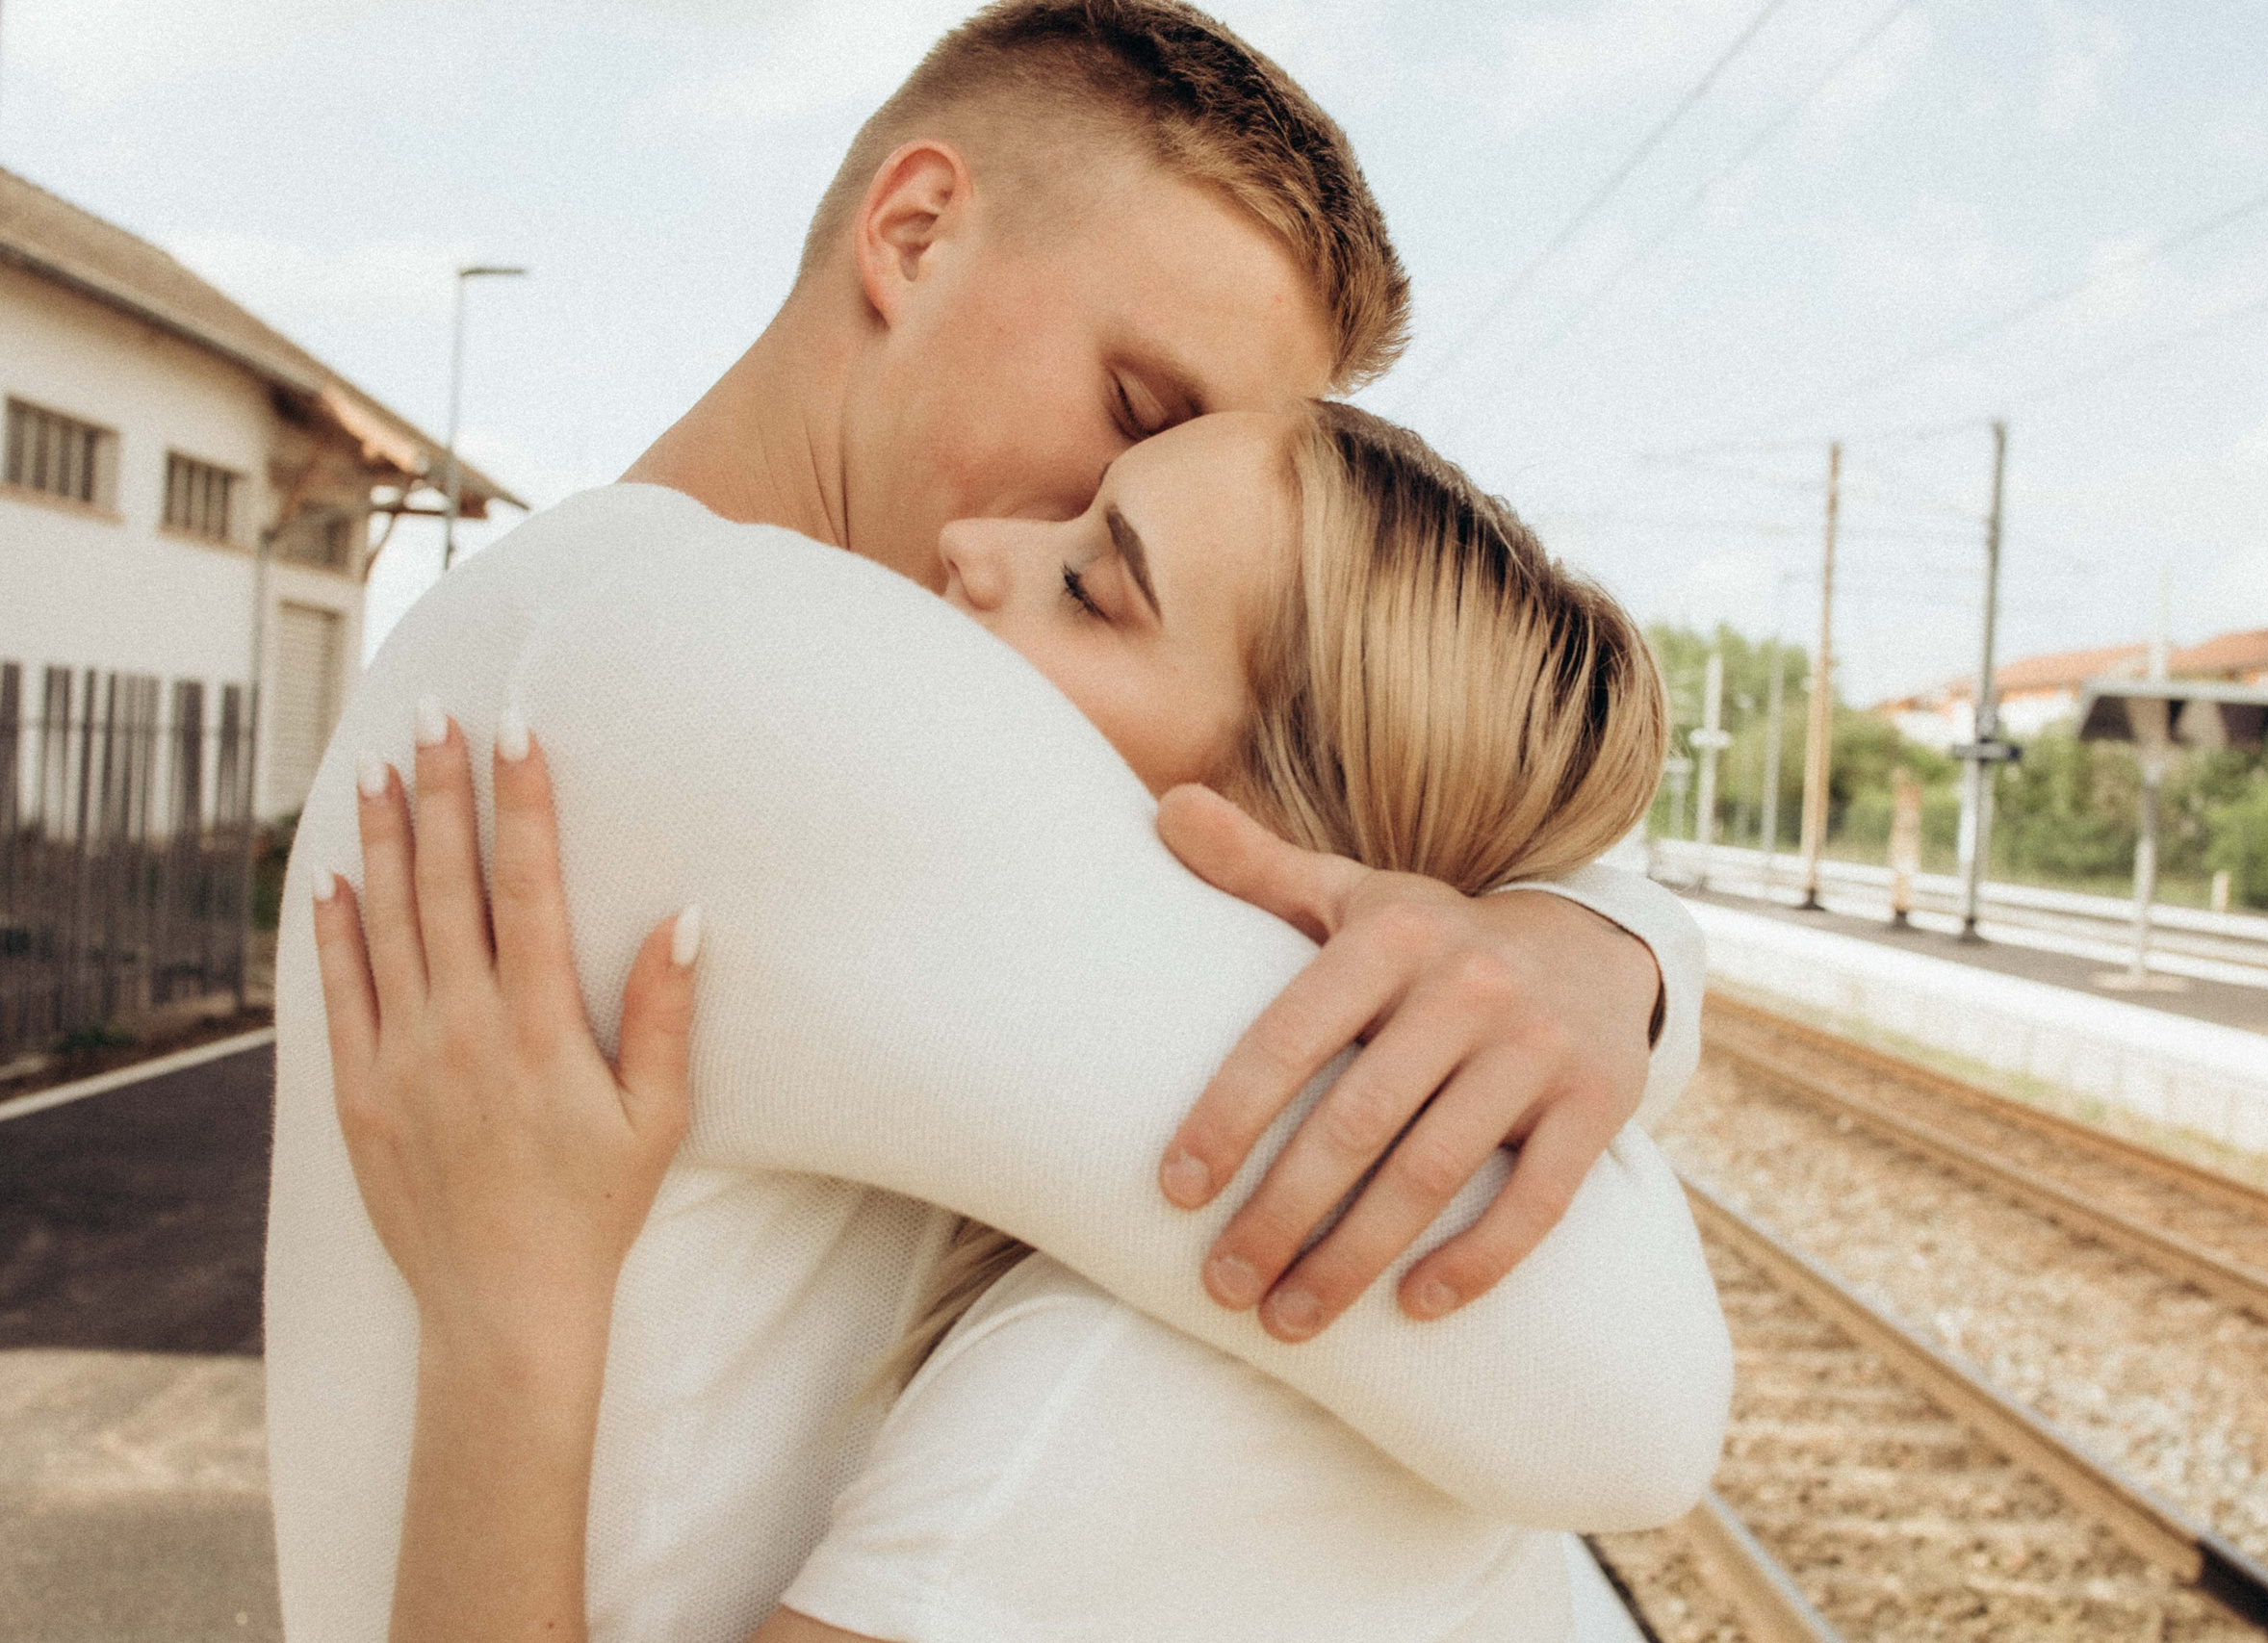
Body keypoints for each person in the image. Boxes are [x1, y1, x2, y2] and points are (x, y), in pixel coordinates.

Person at [265, 5, 1719, 1639]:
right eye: (1136, 406)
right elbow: (1632, 1377)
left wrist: (1595, 941)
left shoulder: (571, 623)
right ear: (913, 231)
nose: (1021, 545)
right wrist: (1622, 964)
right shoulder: (751, 672)